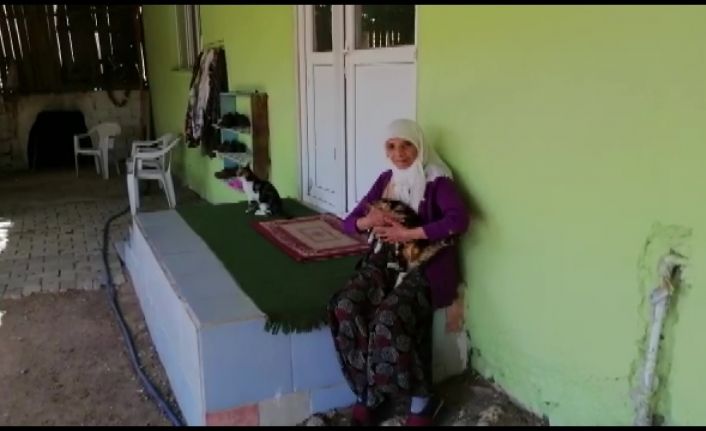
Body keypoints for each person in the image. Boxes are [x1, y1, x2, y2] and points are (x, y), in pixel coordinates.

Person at [328, 119, 470, 426]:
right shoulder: (386, 179)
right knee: (345, 305)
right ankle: (370, 391)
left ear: (420, 146)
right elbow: (349, 222)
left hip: (425, 266)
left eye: (406, 145)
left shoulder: (437, 181)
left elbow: (459, 220)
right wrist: (369, 221)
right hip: (384, 263)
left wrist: (409, 234)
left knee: (389, 317)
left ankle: (422, 400)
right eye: (391, 146)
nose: (399, 153)